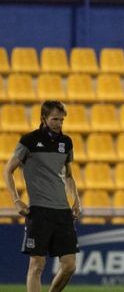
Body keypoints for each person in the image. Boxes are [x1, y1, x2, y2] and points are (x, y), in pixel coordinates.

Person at [3, 100, 80, 292]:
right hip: (39, 211)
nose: (59, 124)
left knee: (70, 265)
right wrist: (16, 199)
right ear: (43, 118)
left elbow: (69, 176)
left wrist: (76, 200)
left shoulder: (66, 142)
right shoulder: (28, 141)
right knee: (37, 265)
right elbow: (7, 171)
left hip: (62, 211)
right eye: (55, 119)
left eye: (62, 120)